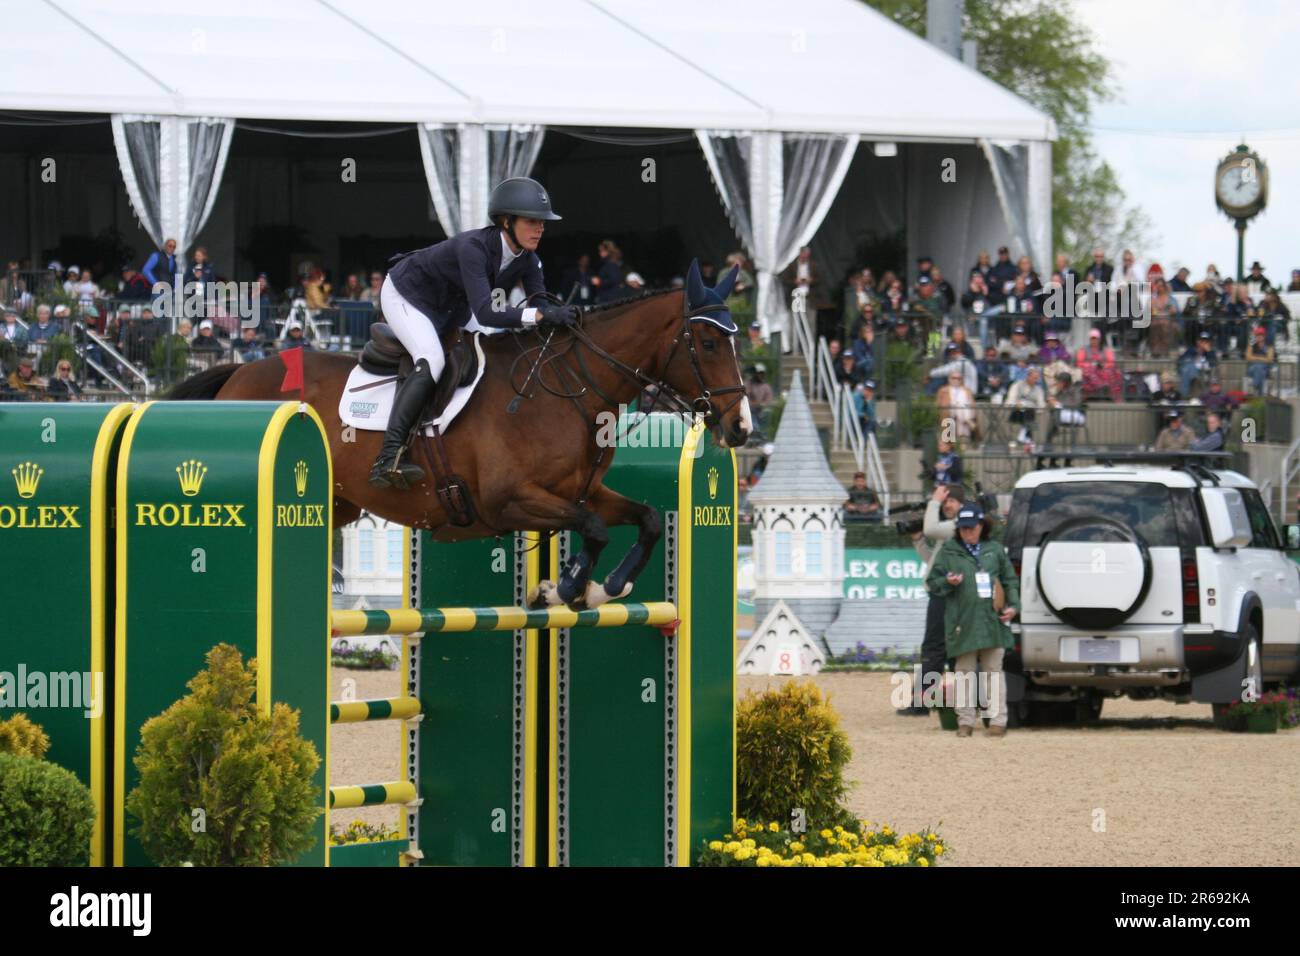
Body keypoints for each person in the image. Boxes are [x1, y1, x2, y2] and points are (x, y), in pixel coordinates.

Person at [373, 177, 574, 487]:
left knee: (490, 353)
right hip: (408, 295)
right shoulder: (474, 248)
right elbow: (488, 312)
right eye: (532, 221)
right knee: (432, 359)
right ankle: (389, 457)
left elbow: (541, 304)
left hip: (452, 306)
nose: (540, 229)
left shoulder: (529, 261)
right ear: (507, 222)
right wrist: (540, 315)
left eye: (543, 223)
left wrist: (566, 317)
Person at [925, 503, 1019, 737]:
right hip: (962, 621)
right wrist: (948, 582)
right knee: (964, 672)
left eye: (972, 527)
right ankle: (965, 722)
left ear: (981, 526)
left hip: (992, 620)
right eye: (964, 528)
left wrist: (1015, 607)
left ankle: (998, 721)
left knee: (994, 672)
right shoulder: (948, 551)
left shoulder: (995, 550)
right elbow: (932, 581)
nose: (968, 532)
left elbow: (1009, 580)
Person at [900, 483, 966, 715]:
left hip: (945, 596)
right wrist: (918, 540)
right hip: (942, 593)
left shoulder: (957, 526)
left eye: (952, 501)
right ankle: (936, 701)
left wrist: (934, 501)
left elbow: (930, 529)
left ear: (962, 504)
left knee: (934, 648)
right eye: (946, 501)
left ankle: (922, 703)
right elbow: (933, 561)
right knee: (942, 649)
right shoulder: (950, 529)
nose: (947, 505)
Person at [1006, 366, 1046, 444]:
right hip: (1017, 411)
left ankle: (1023, 436)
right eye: (1034, 378)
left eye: (1037, 378)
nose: (1036, 380)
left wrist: (1038, 409)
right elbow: (1011, 399)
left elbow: (1041, 404)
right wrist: (1016, 404)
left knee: (1030, 412)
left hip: (1031, 412)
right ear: (1028, 376)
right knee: (1028, 416)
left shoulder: (1039, 389)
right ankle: (1028, 439)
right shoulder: (1017, 385)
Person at [1178, 331, 1217, 396]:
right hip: (1190, 371)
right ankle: (1193, 379)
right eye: (1202, 341)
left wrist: (1209, 351)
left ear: (1209, 343)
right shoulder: (1191, 350)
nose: (1203, 343)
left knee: (1187, 371)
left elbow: (1213, 364)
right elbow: (1181, 360)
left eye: (1206, 341)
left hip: (1204, 372)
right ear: (1197, 341)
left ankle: (1184, 395)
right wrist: (1198, 352)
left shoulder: (1211, 352)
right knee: (1188, 368)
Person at [1245, 325, 1276, 394]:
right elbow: (1248, 357)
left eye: (1261, 335)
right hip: (1252, 368)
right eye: (1257, 335)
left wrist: (1255, 358)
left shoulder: (1269, 345)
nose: (1259, 336)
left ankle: (1255, 386)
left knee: (1260, 370)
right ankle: (1260, 394)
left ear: (1264, 336)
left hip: (1265, 368)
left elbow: (1270, 359)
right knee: (1259, 368)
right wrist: (1262, 358)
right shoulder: (1251, 344)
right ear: (1255, 336)